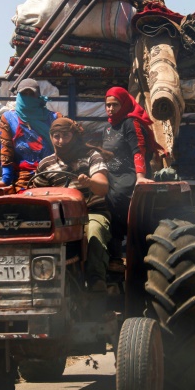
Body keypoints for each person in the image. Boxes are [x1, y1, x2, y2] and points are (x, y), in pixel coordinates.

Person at [34, 118, 111, 291]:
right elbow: (38, 195)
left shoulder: (91, 156)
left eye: (66, 136)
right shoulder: (45, 165)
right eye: (56, 136)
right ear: (51, 137)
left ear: (74, 136)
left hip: (91, 212)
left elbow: (103, 187)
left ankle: (96, 283)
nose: (61, 141)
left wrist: (90, 182)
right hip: (59, 219)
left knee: (94, 232)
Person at [102, 86, 161, 240]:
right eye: (108, 105)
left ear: (124, 105)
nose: (111, 109)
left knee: (122, 197)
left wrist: (140, 177)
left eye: (115, 105)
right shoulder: (107, 128)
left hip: (129, 176)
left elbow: (138, 150)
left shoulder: (130, 123)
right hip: (112, 177)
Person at [0, 78, 61, 190]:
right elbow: (6, 150)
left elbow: (69, 144)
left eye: (31, 94)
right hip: (23, 178)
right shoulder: (8, 119)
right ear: (18, 96)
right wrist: (6, 179)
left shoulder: (54, 118)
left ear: (38, 96)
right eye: (24, 94)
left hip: (53, 175)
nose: (27, 97)